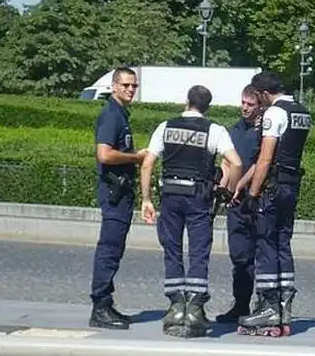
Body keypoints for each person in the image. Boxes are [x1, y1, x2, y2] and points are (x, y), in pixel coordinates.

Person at [140, 85, 243, 338]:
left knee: (172, 249)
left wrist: (146, 199)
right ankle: (195, 310)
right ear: (207, 107)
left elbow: (147, 164)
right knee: (199, 252)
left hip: (170, 195)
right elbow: (236, 162)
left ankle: (176, 308)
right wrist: (228, 190)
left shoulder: (166, 126)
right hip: (198, 197)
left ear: (187, 101)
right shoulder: (214, 130)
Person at [234, 71, 312, 337]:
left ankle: (268, 306)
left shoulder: (274, 113)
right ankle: (284, 305)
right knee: (283, 244)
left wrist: (252, 194)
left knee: (266, 244)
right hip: (291, 185)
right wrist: (243, 182)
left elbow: (266, 159)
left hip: (272, 188)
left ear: (265, 94)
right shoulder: (301, 111)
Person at [89, 66, 148, 330]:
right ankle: (100, 307)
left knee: (115, 249)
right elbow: (104, 155)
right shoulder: (111, 115)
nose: (130, 89)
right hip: (114, 194)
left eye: (134, 85)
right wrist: (136, 158)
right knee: (109, 250)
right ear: (114, 86)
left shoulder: (120, 114)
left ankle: (106, 303)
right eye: (125, 85)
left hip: (120, 194)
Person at [215, 84, 268, 323]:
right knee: (239, 256)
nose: (245, 108)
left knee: (262, 255)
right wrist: (224, 187)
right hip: (236, 203)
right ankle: (241, 304)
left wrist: (241, 185)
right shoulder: (234, 130)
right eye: (243, 103)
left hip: (257, 199)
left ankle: (264, 305)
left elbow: (261, 162)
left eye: (250, 104)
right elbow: (227, 162)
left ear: (260, 106)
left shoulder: (263, 132)